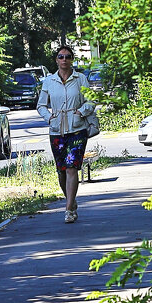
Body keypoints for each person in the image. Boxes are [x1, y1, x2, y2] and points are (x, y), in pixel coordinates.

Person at [37, 45, 95, 223]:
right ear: (56, 60)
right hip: (57, 129)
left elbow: (91, 100)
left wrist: (81, 112)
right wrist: (49, 117)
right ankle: (72, 200)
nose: (64, 60)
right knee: (61, 170)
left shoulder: (80, 79)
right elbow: (40, 105)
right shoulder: (49, 81)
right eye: (61, 57)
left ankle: (68, 209)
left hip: (77, 128)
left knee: (71, 167)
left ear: (72, 59)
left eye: (68, 56)